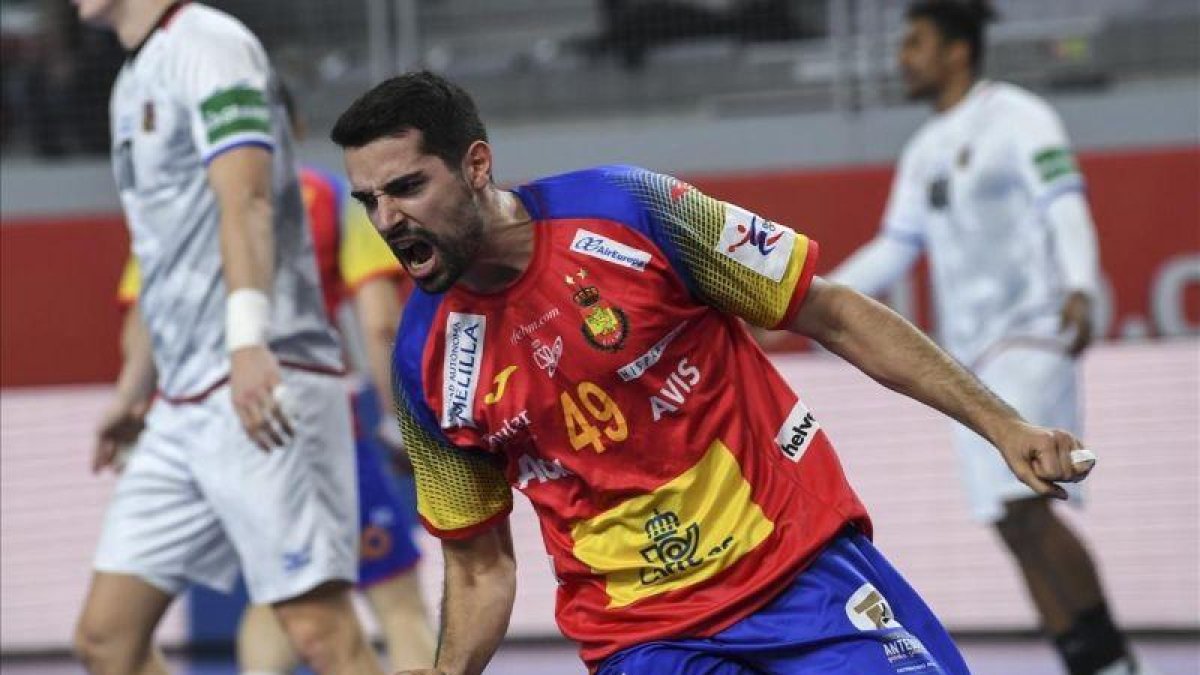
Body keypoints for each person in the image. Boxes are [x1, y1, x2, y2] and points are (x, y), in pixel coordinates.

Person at [328, 70, 1095, 675]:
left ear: (476, 165)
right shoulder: (422, 362)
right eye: (370, 201)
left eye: (406, 187)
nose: (388, 220)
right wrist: (450, 668)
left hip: (799, 571)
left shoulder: (628, 210)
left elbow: (829, 312)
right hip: (645, 640)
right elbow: (478, 564)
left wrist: (1001, 423)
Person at [830, 3, 1143, 674]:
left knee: (1022, 499)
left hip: (1031, 331)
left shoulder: (1021, 117)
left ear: (956, 52)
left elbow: (1064, 200)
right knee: (1010, 521)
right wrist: (801, 291)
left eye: (915, 43)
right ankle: (1089, 661)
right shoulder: (921, 153)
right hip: (969, 363)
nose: (901, 57)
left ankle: (1116, 660)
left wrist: (1081, 284)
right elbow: (894, 248)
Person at [72, 1, 383, 673]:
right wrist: (135, 391)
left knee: (319, 629)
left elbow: (247, 199)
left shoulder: (211, 44)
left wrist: (248, 340)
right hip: (182, 402)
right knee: (106, 639)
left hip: (266, 375)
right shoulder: (132, 80)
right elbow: (169, 253)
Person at [111, 88, 437, 669]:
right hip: (308, 422)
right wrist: (399, 422)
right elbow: (380, 324)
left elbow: (142, 327)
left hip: (214, 429)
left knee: (278, 597)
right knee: (397, 603)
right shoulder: (332, 198)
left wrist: (133, 406)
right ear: (299, 125)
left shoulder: (173, 212)